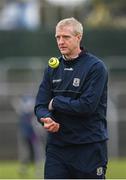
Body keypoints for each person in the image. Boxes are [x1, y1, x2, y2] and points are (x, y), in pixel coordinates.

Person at [34, 17, 108, 179]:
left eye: (66, 37)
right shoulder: (52, 68)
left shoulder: (96, 67)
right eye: (58, 37)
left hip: (88, 147)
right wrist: (46, 118)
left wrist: (56, 102)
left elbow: (86, 106)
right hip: (58, 148)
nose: (61, 41)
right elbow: (40, 105)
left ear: (78, 37)